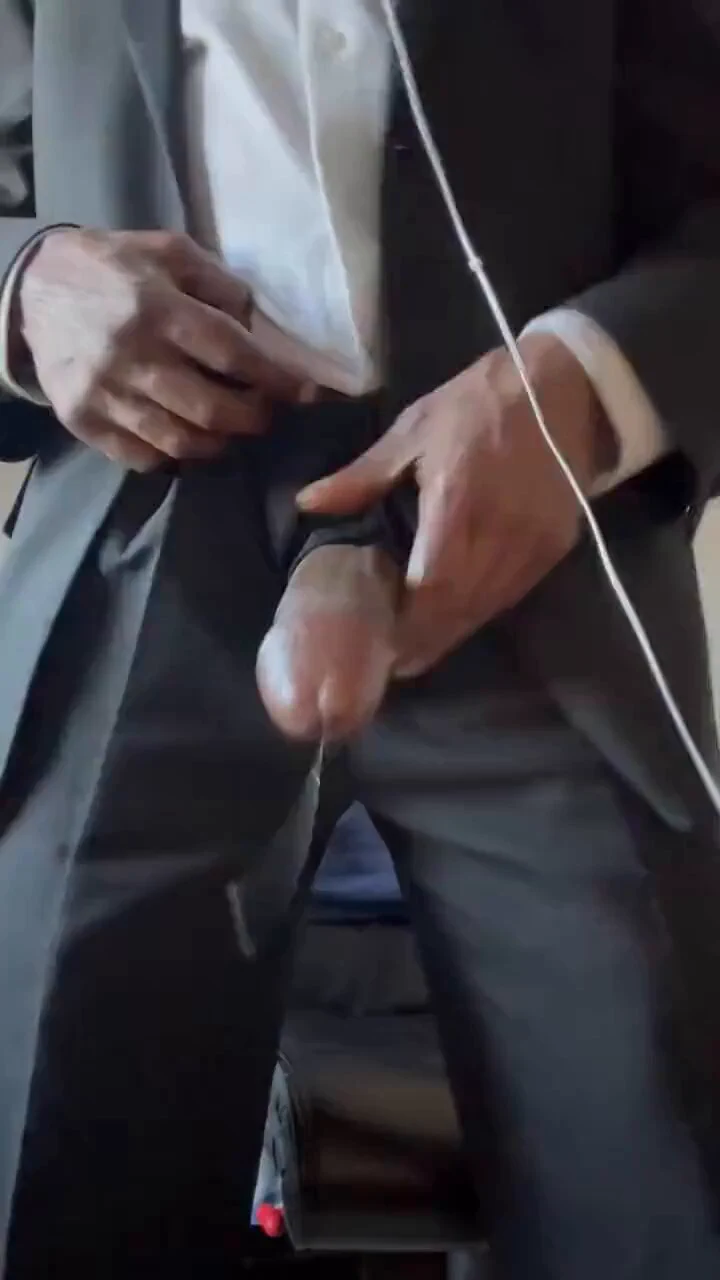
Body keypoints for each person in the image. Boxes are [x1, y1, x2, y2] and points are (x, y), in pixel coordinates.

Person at [0, 1, 719, 1276]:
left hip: (532, 512)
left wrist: (591, 378)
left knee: (652, 1159)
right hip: (139, 510)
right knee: (51, 1137)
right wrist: (23, 286)